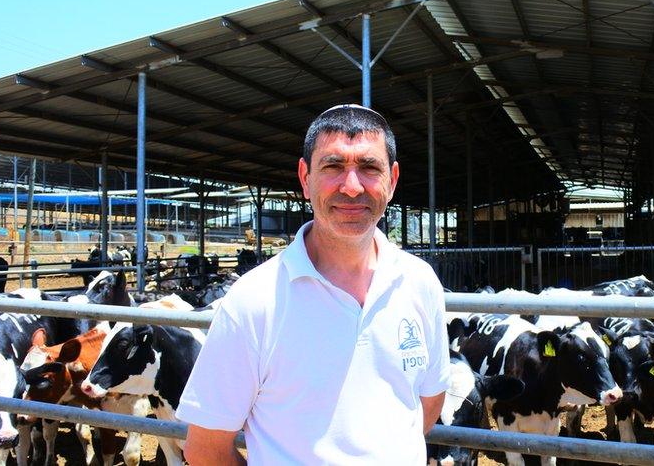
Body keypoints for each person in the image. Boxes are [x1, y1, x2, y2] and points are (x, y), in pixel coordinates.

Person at [177, 104, 451, 465]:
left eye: (369, 168)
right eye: (333, 167)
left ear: (393, 179)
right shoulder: (255, 300)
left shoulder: (419, 282)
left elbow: (428, 403)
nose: (352, 188)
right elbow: (205, 450)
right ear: (305, 178)